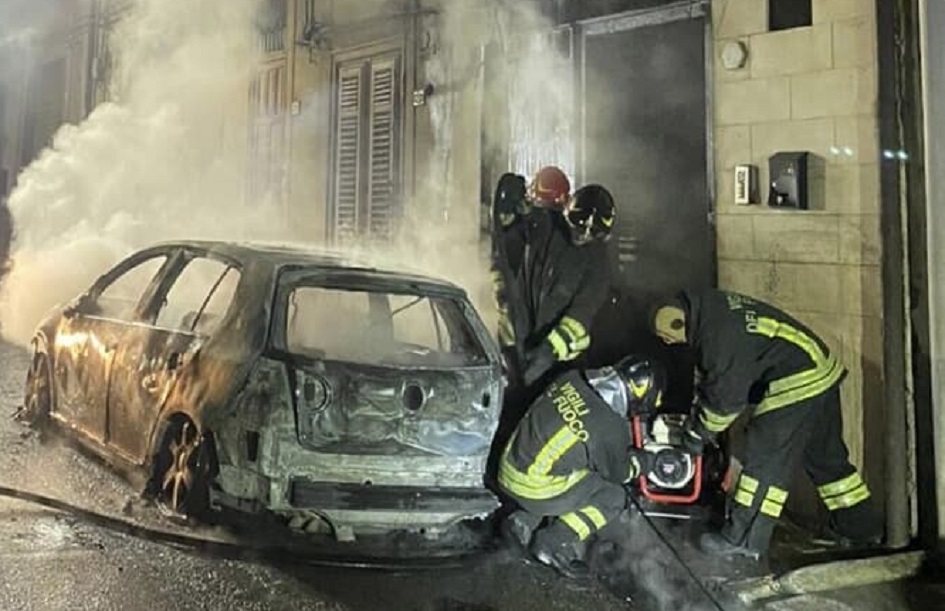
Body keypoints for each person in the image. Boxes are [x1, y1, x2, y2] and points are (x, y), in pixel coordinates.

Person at [650, 289, 884, 560]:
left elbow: (725, 401)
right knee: (826, 459)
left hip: (797, 379)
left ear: (680, 322)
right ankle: (859, 527)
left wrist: (696, 435)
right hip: (819, 368)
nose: (667, 343)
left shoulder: (719, 336)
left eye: (667, 337)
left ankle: (743, 540)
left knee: (765, 457)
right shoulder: (712, 311)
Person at [497, 354, 666, 578]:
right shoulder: (610, 426)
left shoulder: (572, 378)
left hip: (508, 465)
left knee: (565, 464)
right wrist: (646, 461)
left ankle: (521, 521)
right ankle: (551, 543)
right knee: (613, 495)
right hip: (531, 488)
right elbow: (620, 473)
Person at [489, 168, 616, 459]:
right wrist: (510, 206)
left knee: (539, 423)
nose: (582, 236)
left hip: (559, 362)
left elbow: (582, 312)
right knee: (506, 413)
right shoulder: (547, 225)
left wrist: (549, 351)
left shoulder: (598, 266)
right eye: (578, 226)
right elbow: (515, 226)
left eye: (591, 233)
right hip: (519, 337)